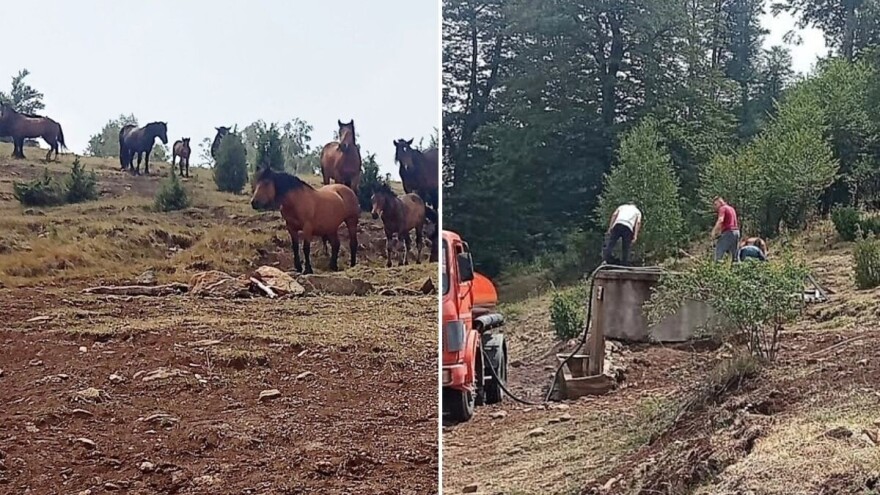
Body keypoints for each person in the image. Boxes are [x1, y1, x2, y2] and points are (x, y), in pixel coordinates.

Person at [711, 196, 740, 263]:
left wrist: (714, 231)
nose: (715, 207)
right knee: (735, 255)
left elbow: (721, 220)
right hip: (736, 232)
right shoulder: (731, 208)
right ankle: (738, 268)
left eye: (716, 204)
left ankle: (717, 267)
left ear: (720, 202)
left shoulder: (722, 208)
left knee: (719, 252)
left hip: (728, 232)